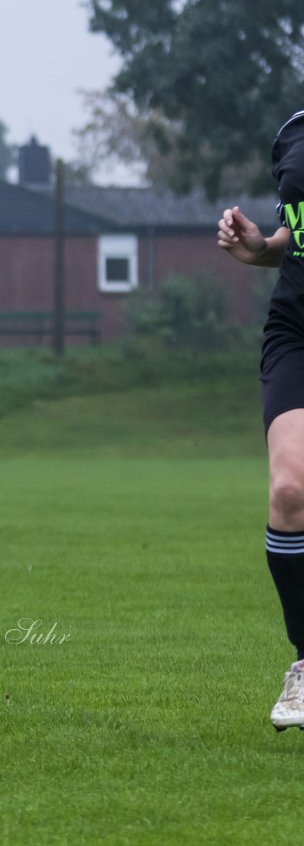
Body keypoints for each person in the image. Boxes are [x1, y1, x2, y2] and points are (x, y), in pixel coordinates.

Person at [217, 108, 304, 731]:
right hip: (295, 331)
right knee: (290, 489)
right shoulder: (293, 134)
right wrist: (261, 247)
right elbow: (293, 236)